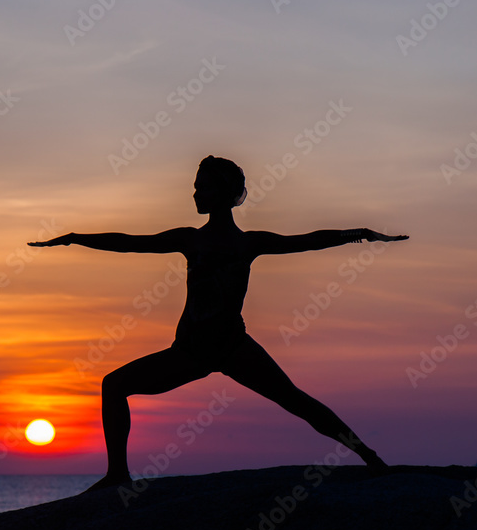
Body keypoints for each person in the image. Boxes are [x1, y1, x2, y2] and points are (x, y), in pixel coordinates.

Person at [29, 156, 408, 491]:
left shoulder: (247, 243)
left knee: (296, 401)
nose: (195, 194)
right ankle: (117, 475)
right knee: (114, 385)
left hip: (233, 347)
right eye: (195, 187)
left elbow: (309, 240)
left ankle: (369, 456)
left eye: (203, 187)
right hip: (190, 351)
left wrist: (359, 233)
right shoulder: (189, 240)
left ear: (225, 193)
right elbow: (130, 242)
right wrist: (76, 238)